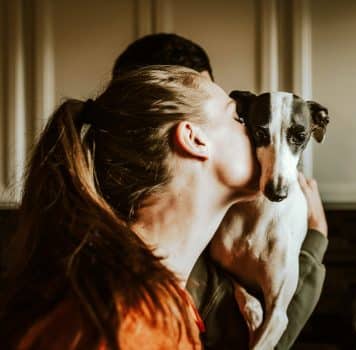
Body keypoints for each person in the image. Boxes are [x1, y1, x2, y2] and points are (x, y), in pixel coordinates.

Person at [0, 65, 260, 349]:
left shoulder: (163, 302)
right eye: (238, 117)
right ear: (194, 138)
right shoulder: (132, 317)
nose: (257, 130)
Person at [112, 33, 329, 350]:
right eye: (235, 115)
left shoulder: (177, 275)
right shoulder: (136, 308)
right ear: (193, 136)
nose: (250, 132)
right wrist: (315, 238)